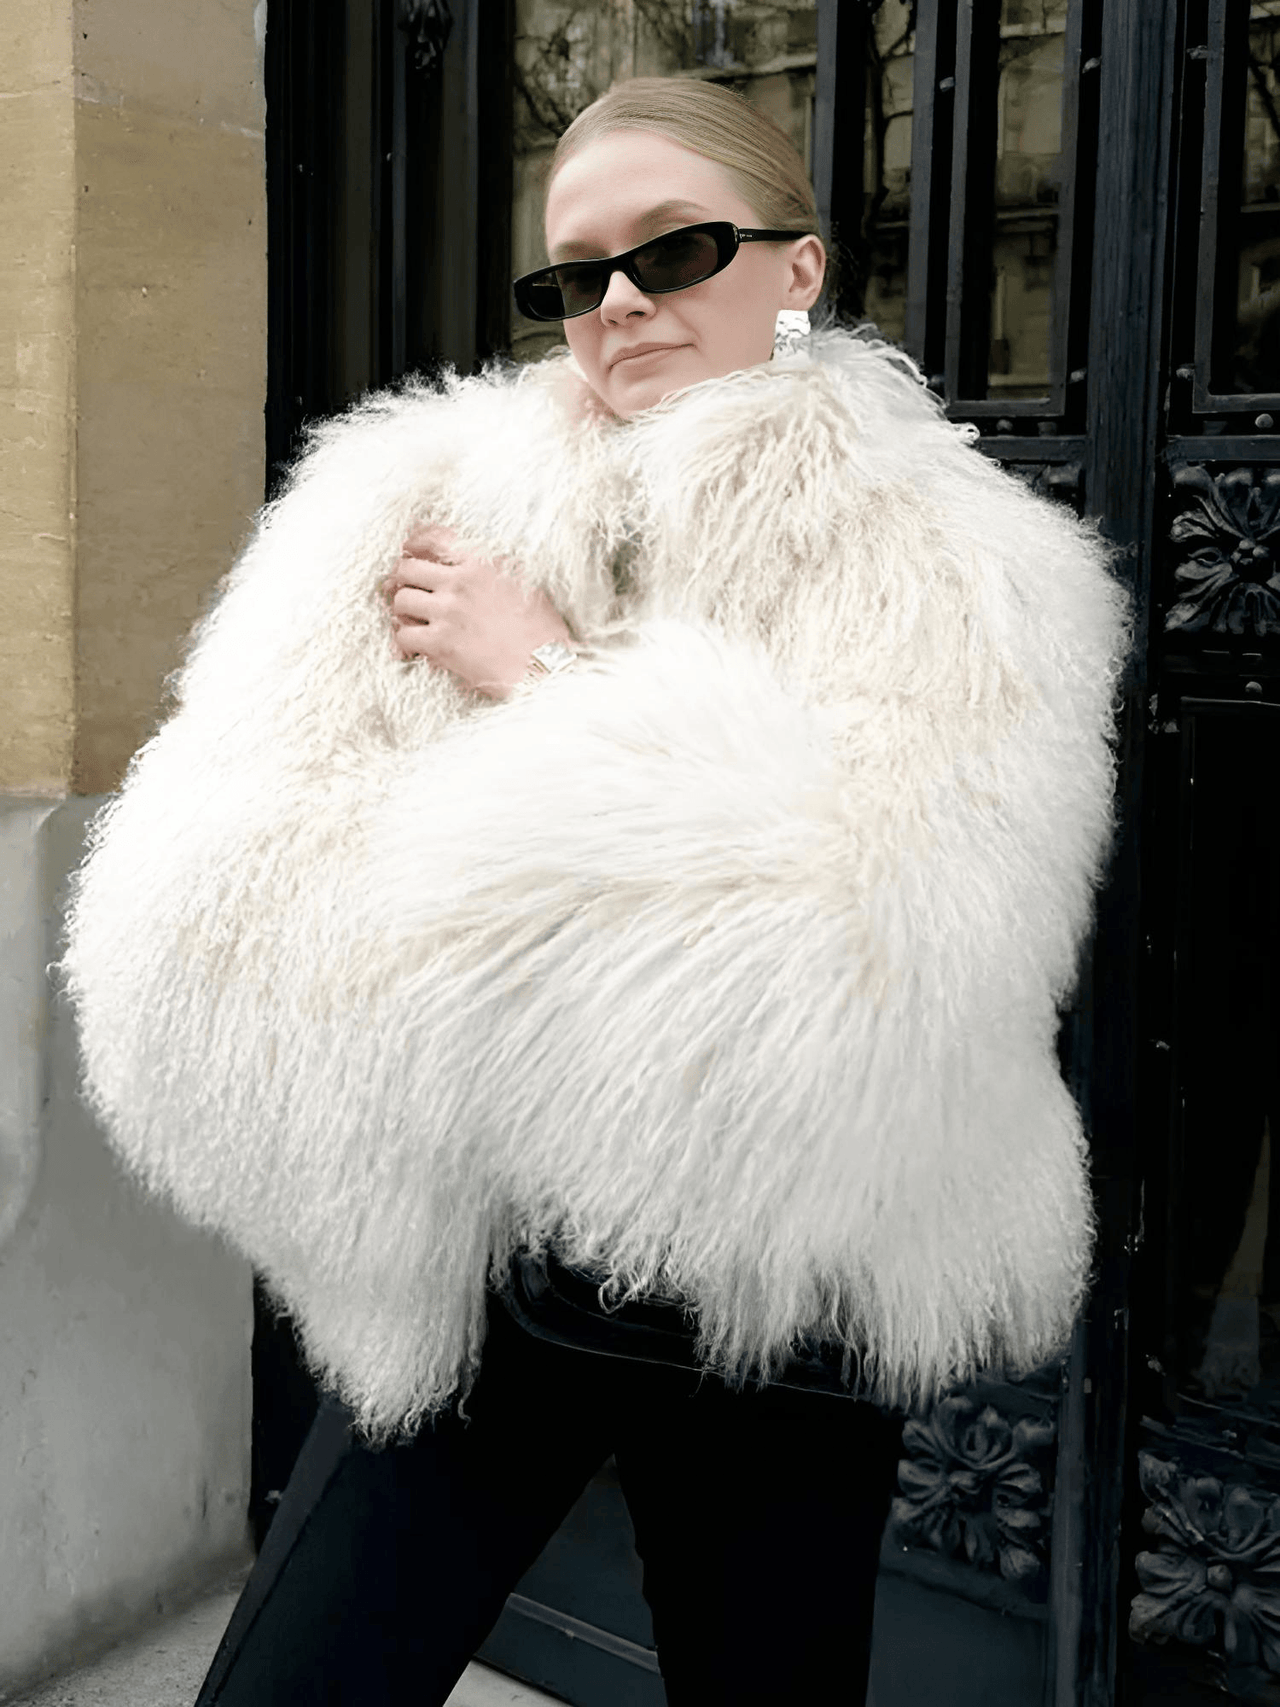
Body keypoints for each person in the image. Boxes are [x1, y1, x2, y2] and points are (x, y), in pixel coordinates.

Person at [60, 77, 1129, 1706]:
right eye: (575, 273)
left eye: (675, 248)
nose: (619, 301)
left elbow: (888, 954)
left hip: (797, 1259)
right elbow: (237, 866)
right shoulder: (424, 503)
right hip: (489, 1248)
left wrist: (552, 682)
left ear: (798, 268)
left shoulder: (967, 569)